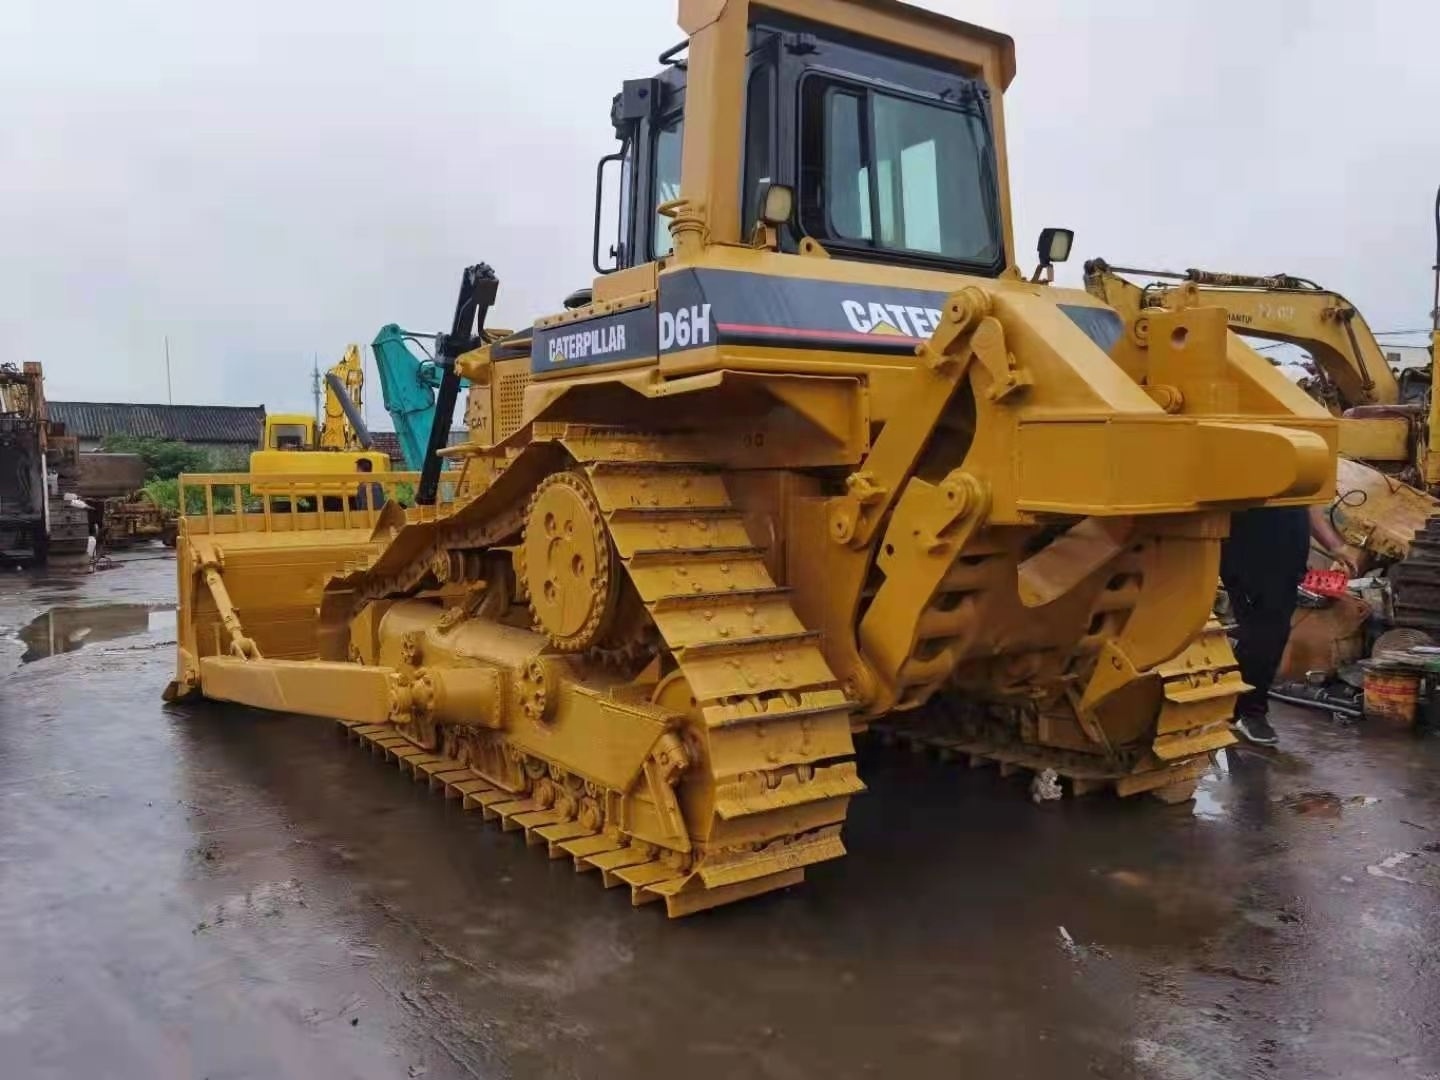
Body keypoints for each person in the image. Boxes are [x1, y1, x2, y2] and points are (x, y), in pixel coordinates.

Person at [1221, 504, 1358, 746]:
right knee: (1262, 631)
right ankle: (1248, 712)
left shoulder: (1294, 467)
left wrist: (1335, 546)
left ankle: (1241, 706)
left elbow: (1308, 500)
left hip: (1287, 557)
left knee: (1276, 631)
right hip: (1249, 553)